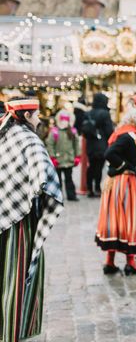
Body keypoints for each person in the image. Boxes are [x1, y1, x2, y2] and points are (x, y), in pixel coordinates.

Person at [0, 97, 64, 342]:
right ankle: (11, 335)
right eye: (36, 115)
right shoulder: (29, 140)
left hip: (4, 212)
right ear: (26, 115)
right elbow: (44, 179)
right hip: (19, 222)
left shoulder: (4, 134)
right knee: (16, 281)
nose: (39, 119)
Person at [95, 106, 136, 275]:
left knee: (115, 220)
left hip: (117, 182)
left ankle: (110, 262)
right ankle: (130, 262)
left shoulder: (124, 133)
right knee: (127, 220)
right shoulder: (127, 136)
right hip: (124, 182)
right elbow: (109, 153)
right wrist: (127, 166)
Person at [82, 93, 115, 198]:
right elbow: (109, 130)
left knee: (91, 166)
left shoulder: (88, 113)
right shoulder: (105, 113)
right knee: (99, 167)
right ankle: (97, 188)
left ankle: (89, 188)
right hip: (101, 144)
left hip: (90, 144)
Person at [45, 109, 81, 201]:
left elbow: (76, 144)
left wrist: (77, 156)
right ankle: (57, 196)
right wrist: (52, 157)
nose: (64, 122)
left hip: (69, 159)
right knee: (58, 180)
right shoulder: (54, 132)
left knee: (69, 179)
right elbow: (50, 144)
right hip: (58, 160)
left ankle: (71, 195)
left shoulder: (72, 131)